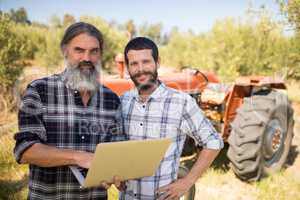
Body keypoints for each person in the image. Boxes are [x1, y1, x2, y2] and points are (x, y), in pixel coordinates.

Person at [13, 22, 126, 200]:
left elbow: (116, 151)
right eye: (79, 50)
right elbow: (25, 150)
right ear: (65, 51)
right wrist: (80, 157)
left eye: (94, 51)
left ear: (101, 54)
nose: (86, 58)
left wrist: (115, 173)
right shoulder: (39, 91)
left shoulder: (111, 99)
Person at [120, 37, 224, 200]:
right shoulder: (123, 101)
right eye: (134, 64)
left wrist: (187, 181)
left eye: (146, 62)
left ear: (157, 62)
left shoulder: (181, 102)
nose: (140, 69)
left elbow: (213, 141)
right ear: (127, 68)